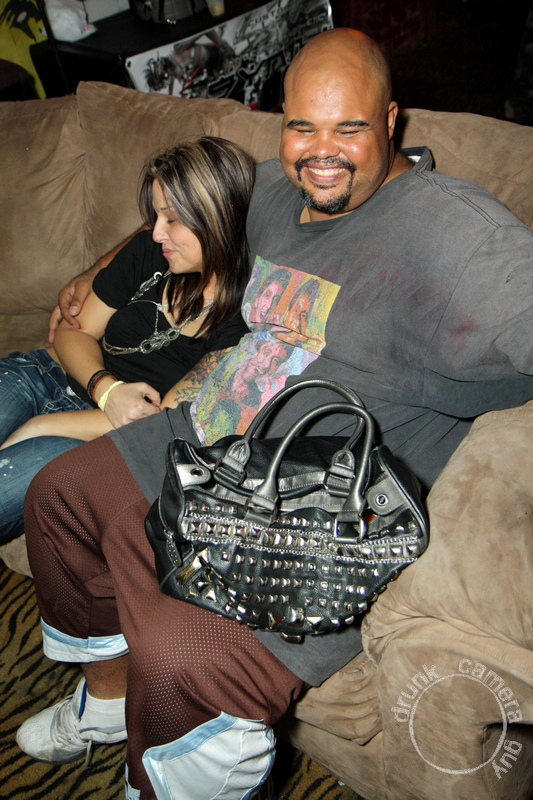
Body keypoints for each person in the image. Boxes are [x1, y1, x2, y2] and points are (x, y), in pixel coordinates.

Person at [17, 27, 533, 800]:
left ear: (390, 121)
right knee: (58, 495)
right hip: (209, 436)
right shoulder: (272, 189)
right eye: (302, 127)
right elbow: (189, 214)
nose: (320, 153)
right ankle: (108, 701)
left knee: (182, 657)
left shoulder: (456, 236)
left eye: (348, 129)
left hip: (311, 507)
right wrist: (99, 269)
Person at [0, 136, 253, 543]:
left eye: (172, 218)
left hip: (95, 436)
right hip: (43, 375)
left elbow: (158, 423)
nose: (156, 233)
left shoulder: (243, 321)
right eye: (156, 216)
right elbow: (73, 331)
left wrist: (40, 425)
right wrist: (107, 389)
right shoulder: (152, 255)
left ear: (221, 216)